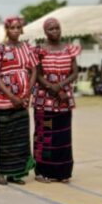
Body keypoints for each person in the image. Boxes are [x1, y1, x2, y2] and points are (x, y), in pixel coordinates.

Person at [32, 18, 80, 183]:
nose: (55, 31)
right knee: (45, 135)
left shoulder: (69, 49)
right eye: (51, 29)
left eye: (57, 28)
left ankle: (62, 172)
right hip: (44, 100)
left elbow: (74, 72)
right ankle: (42, 171)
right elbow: (37, 74)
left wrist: (60, 86)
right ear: (45, 32)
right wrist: (52, 88)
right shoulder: (39, 50)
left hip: (64, 99)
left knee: (63, 135)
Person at [0, 16, 37, 185]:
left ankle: (16, 173)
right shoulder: (0, 49)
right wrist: (11, 96)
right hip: (4, 99)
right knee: (4, 136)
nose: (16, 30)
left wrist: (27, 95)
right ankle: (1, 173)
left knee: (20, 137)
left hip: (23, 99)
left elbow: (33, 71)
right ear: (7, 30)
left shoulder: (28, 48)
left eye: (18, 27)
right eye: (12, 28)